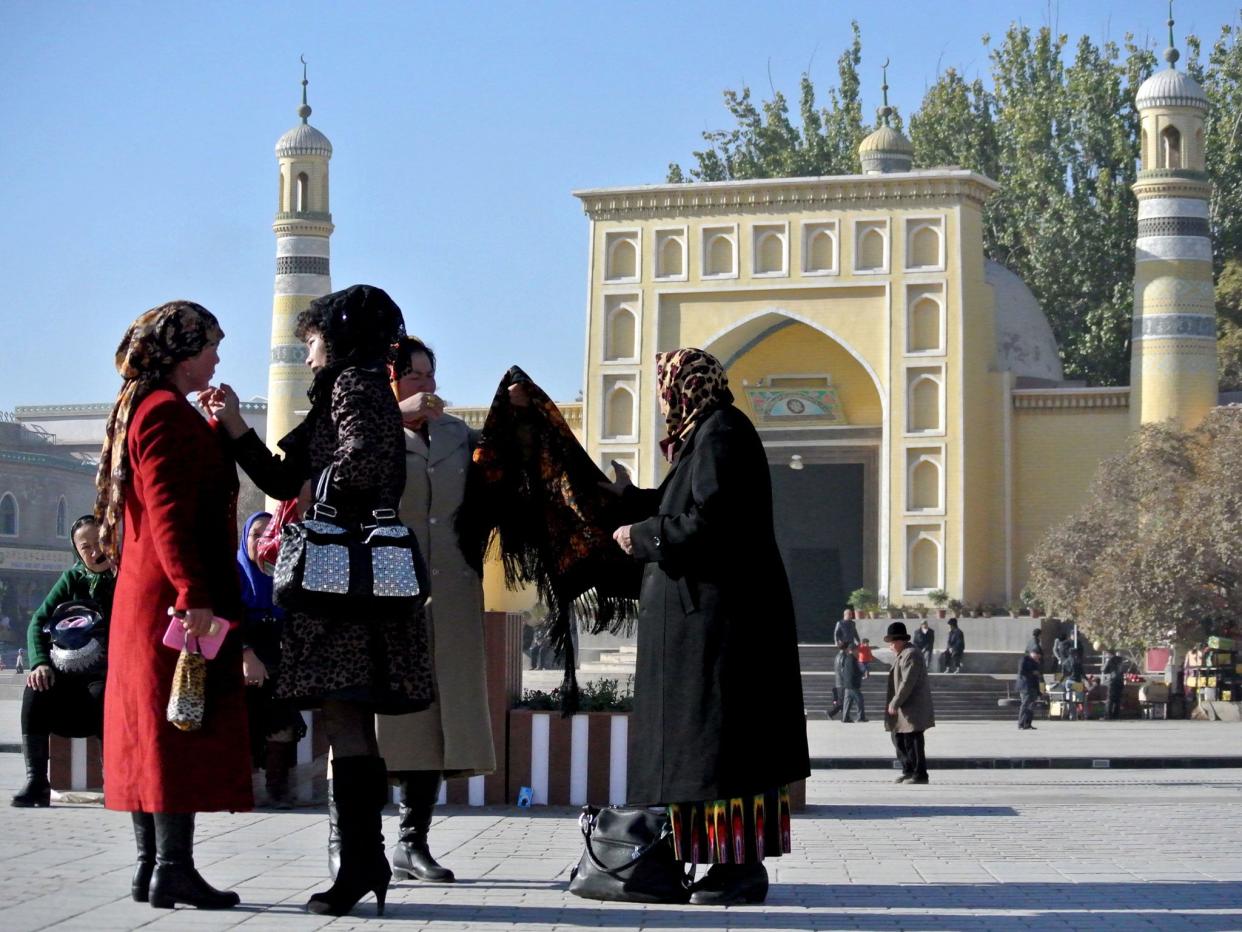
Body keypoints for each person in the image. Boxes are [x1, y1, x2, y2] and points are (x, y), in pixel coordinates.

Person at [205, 284, 433, 917]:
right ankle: (365, 861)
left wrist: (319, 491)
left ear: (335, 336)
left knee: (346, 720)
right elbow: (284, 478)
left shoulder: (353, 385)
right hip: (353, 585)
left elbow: (367, 463)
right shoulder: (349, 388)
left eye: (310, 343)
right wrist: (236, 429)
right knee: (346, 721)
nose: (306, 357)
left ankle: (361, 863)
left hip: (345, 586)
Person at [610, 348, 809, 906]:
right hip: (704, 631)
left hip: (720, 632)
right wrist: (634, 503)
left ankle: (738, 869)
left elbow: (714, 520)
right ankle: (720, 865)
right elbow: (692, 505)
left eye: (663, 386)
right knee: (710, 753)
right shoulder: (708, 434)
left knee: (724, 753)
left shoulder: (722, 433)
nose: (660, 398)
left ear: (682, 388)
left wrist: (643, 536)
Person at [96, 301, 252, 909]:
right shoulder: (163, 414)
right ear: (181, 353)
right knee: (174, 729)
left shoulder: (159, 409)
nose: (216, 356)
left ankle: (149, 870)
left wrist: (219, 430)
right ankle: (171, 868)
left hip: (150, 593)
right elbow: (167, 515)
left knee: (150, 727)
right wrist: (193, 595)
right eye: (210, 346)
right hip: (172, 596)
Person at [375, 336, 497, 885]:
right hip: (386, 597)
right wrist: (388, 417)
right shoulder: (367, 431)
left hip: (450, 595)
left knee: (437, 717)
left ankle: (412, 841)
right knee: (385, 718)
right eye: (414, 375)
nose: (425, 385)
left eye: (430, 374)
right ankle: (358, 842)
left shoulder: (456, 435)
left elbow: (505, 477)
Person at [11, 515, 115, 808]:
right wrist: (39, 663)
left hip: (105, 675)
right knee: (36, 689)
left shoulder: (126, 576)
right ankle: (36, 782)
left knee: (103, 695)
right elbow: (38, 622)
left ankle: (116, 780)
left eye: (101, 542)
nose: (96, 552)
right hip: (67, 672)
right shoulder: (72, 578)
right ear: (76, 550)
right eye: (86, 547)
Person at [236, 511, 306, 809]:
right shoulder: (233, 574)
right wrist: (246, 653)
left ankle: (276, 787)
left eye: (270, 534)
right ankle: (243, 788)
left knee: (283, 709)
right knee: (246, 706)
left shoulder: (285, 572)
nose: (264, 541)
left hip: (279, 656)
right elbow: (224, 618)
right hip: (240, 654)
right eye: (256, 535)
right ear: (245, 540)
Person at [883, 622, 934, 784]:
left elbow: (907, 682)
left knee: (913, 740)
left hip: (912, 707)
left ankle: (920, 774)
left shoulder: (911, 654)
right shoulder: (903, 654)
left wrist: (895, 702)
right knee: (898, 737)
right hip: (903, 707)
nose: (890, 646)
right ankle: (908, 769)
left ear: (899, 641)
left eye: (891, 642)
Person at [835, 641, 866, 723]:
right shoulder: (852, 659)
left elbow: (844, 671)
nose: (858, 651)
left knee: (847, 703)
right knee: (860, 701)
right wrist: (861, 673)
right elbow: (854, 672)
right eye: (857, 650)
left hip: (847, 685)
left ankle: (845, 718)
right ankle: (861, 717)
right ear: (853, 650)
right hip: (853, 685)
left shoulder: (847, 658)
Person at [1017, 647, 1042, 730]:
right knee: (1025, 704)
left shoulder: (1036, 662)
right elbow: (1021, 672)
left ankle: (1028, 723)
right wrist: (1032, 672)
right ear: (1033, 653)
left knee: (1031, 706)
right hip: (1025, 686)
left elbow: (1037, 678)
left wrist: (1038, 691)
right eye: (1037, 655)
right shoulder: (1024, 659)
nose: (1038, 658)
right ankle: (1021, 723)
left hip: (1033, 687)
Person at [1101, 650, 1125, 720]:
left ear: (1109, 653)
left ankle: (1107, 715)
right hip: (1120, 681)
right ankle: (1116, 715)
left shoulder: (1110, 660)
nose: (1106, 655)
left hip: (1113, 681)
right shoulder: (1120, 660)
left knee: (1110, 699)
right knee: (1118, 699)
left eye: (1106, 654)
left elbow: (1104, 670)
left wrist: (1107, 661)